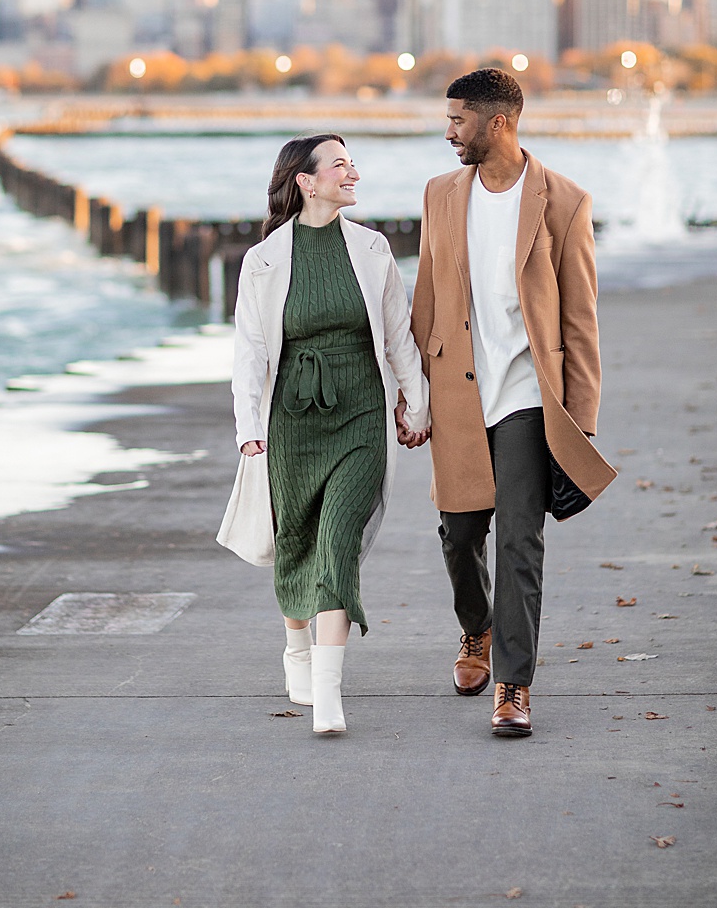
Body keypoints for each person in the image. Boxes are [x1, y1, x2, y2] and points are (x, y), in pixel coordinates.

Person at [412, 68, 617, 738]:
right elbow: (427, 301)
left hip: (529, 394)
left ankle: (513, 685)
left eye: (457, 121)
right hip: (456, 388)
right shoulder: (441, 195)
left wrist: (579, 422)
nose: (448, 134)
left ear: (496, 123)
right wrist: (414, 395)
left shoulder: (564, 202)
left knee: (520, 542)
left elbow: (580, 321)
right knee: (461, 533)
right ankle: (477, 629)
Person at [232, 135, 430, 735]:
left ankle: (328, 695)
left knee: (338, 539)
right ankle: (295, 645)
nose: (354, 174)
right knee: (296, 540)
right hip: (291, 420)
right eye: (341, 165)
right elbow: (250, 353)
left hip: (360, 418)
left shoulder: (372, 249)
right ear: (306, 181)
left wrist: (415, 403)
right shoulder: (262, 260)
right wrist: (249, 430)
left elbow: (398, 334)